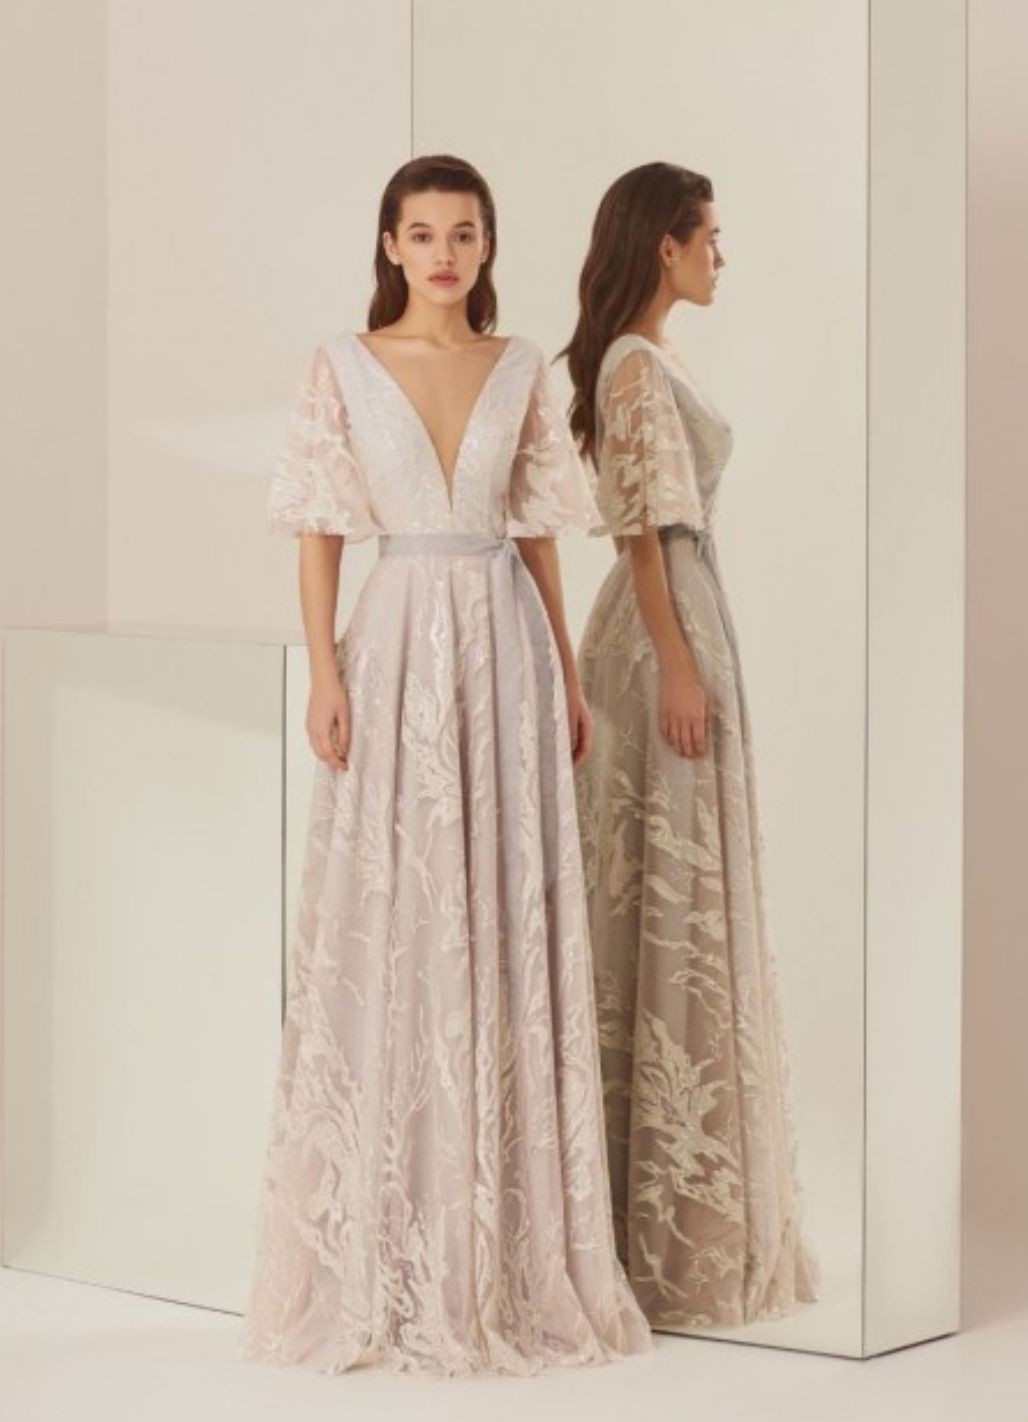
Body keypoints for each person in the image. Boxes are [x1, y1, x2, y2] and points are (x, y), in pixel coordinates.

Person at [240, 154, 653, 1378]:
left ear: (485, 246)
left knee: (504, 907)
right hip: (395, 644)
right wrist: (322, 672)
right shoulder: (342, 364)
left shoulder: (519, 365)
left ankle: (510, 1242)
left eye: (462, 233)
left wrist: (566, 676)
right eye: (420, 233)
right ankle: (394, 1234)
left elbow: (537, 534)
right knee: (400, 911)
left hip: (504, 647)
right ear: (389, 243)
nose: (442, 254)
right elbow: (319, 533)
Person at [562, 162, 821, 1329]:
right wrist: (674, 664)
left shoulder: (645, 358)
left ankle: (669, 1209)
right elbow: (641, 533)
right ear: (662, 246)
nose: (721, 256)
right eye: (708, 236)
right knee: (665, 892)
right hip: (660, 626)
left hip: (684, 612)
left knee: (676, 892)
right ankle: (655, 1227)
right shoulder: (630, 364)